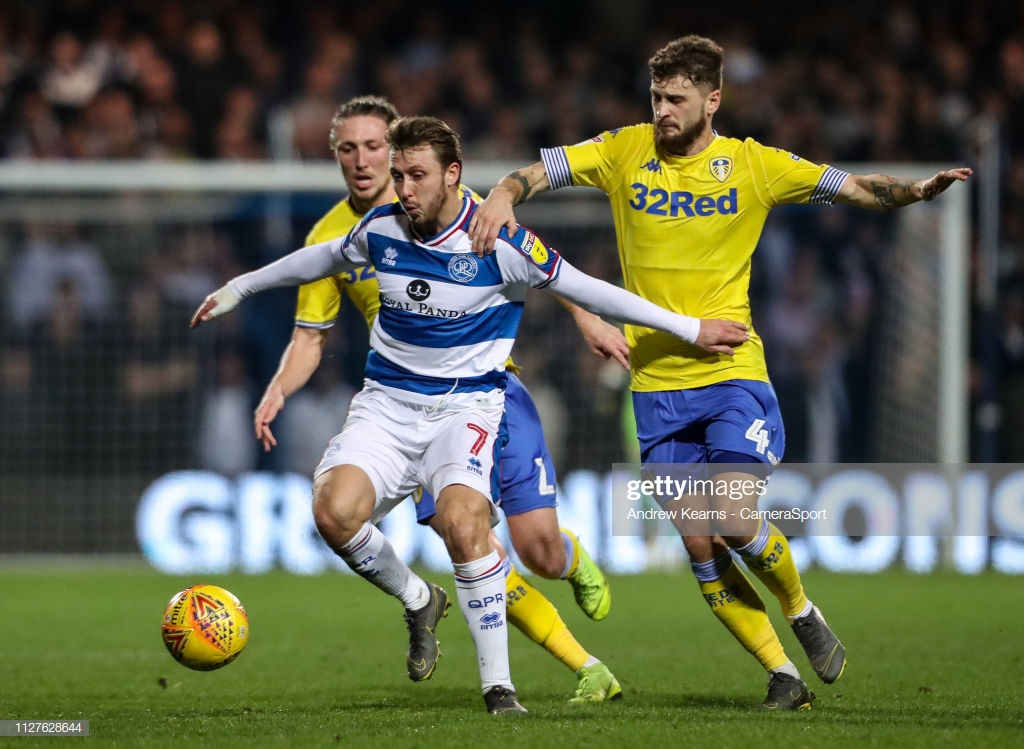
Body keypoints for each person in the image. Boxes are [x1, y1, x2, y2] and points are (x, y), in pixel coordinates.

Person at [468, 34, 972, 710]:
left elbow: (850, 187)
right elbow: (535, 174)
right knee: (699, 540)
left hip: (732, 371)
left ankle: (800, 608)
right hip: (654, 389)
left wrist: (911, 193)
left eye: (676, 99)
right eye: (656, 97)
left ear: (713, 99)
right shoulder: (624, 151)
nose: (663, 110)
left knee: (733, 518)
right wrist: (503, 193)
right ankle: (783, 676)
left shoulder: (753, 165)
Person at [191, 114, 748, 714]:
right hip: (387, 404)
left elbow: (588, 288)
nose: (404, 189)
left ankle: (499, 688)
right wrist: (239, 288)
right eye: (398, 175)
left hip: (467, 406)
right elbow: (318, 260)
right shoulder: (381, 228)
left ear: (452, 175)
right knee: (331, 513)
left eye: (417, 176)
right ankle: (418, 600)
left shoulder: (498, 240)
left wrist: (689, 328)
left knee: (468, 525)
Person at [254, 95, 629, 702]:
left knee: (538, 552)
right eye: (348, 149)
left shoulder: (457, 204)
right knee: (471, 542)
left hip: (493, 389)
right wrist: (278, 387)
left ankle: (570, 557)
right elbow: (310, 335)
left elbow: (533, 261)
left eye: (376, 146)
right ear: (335, 157)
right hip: (408, 405)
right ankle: (582, 667)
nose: (364, 160)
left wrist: (586, 318)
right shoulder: (340, 236)